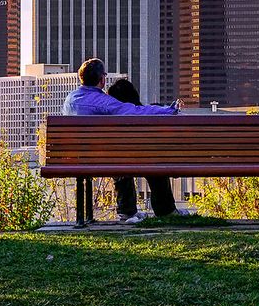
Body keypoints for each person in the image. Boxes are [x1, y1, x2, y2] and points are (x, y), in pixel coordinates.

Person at [63, 59, 191, 223]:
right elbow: (136, 111)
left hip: (80, 159)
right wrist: (169, 109)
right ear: (102, 79)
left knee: (120, 159)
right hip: (110, 158)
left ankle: (127, 212)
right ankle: (165, 211)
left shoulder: (70, 99)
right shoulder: (104, 103)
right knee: (146, 161)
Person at [107, 78, 184, 222]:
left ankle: (126, 212)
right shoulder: (152, 111)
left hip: (122, 161)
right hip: (151, 160)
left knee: (120, 167)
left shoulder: (110, 118)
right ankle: (165, 210)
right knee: (155, 165)